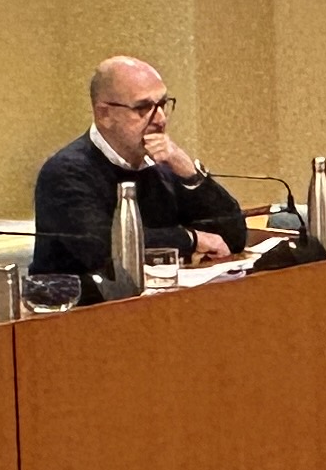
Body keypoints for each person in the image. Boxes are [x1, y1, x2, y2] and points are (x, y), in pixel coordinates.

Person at [31, 55, 244, 299]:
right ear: (104, 114)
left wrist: (190, 174)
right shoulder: (66, 172)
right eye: (143, 108)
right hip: (79, 313)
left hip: (162, 306)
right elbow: (104, 250)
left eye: (162, 104)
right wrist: (190, 240)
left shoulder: (162, 167)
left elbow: (233, 236)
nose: (160, 119)